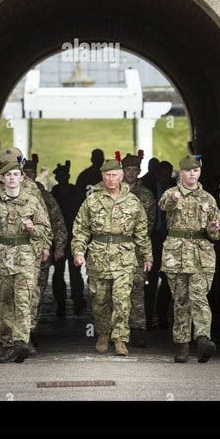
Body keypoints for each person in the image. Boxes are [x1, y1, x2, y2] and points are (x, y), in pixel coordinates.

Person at [0, 154, 52, 363]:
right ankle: (5, 343)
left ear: (21, 177)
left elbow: (46, 229)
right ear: (2, 178)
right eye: (8, 175)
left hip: (24, 256)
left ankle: (21, 342)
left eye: (15, 174)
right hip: (0, 255)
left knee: (23, 300)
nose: (12, 178)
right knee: (2, 301)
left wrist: (34, 231)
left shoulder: (32, 201)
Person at [72, 152, 153, 357]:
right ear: (102, 177)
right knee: (100, 300)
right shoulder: (91, 201)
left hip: (125, 257)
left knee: (122, 300)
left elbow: (142, 232)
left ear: (121, 176)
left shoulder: (133, 201)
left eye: (114, 175)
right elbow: (81, 229)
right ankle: (103, 334)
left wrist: (147, 256)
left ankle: (120, 340)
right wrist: (78, 251)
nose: (111, 179)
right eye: (107, 175)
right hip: (98, 256)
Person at [159, 154, 220, 364]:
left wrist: (213, 229)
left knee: (199, 299)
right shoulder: (171, 193)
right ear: (181, 173)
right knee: (180, 301)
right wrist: (174, 199)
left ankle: (203, 340)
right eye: (188, 171)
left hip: (200, 256)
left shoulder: (208, 199)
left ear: (199, 172)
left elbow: (218, 231)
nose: (191, 174)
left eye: (195, 171)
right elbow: (164, 206)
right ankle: (182, 344)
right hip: (176, 256)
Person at [22, 155, 67, 346]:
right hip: (17, 253)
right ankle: (18, 334)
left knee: (36, 293)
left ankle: (30, 331)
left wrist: (60, 246)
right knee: (20, 293)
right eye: (26, 173)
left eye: (32, 172)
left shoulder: (45, 197)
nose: (29, 176)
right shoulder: (11, 195)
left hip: (40, 252)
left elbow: (57, 223)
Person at [121, 151, 156, 348]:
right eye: (128, 170)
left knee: (137, 289)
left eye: (135, 170)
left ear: (139, 171)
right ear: (122, 171)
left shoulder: (146, 195)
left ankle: (137, 330)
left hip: (136, 249)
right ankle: (118, 332)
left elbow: (149, 223)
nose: (131, 173)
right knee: (116, 291)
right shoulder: (113, 191)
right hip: (116, 250)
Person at [51, 160, 87, 316]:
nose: (62, 179)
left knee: (75, 272)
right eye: (60, 176)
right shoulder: (54, 194)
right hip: (58, 238)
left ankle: (78, 300)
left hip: (73, 237)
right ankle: (61, 303)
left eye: (64, 176)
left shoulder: (76, 192)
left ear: (68, 176)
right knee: (58, 273)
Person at [145, 160, 176, 330]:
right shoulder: (147, 187)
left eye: (168, 175)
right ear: (157, 174)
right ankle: (148, 318)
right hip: (153, 239)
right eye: (163, 175)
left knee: (168, 279)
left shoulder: (175, 189)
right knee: (150, 280)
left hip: (170, 240)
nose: (166, 178)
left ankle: (163, 316)